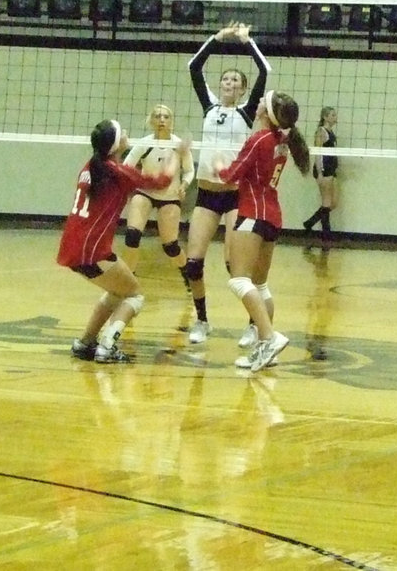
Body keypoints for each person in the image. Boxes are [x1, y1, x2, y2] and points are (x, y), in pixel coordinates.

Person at [62, 119, 191, 363]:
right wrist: (178, 153)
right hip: (92, 250)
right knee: (135, 295)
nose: (127, 134)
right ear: (114, 144)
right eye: (122, 132)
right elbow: (161, 182)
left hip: (73, 246)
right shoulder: (117, 172)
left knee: (116, 290)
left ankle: (85, 343)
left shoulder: (90, 167)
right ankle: (107, 346)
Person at [184, 22, 270, 345]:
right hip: (207, 195)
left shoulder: (246, 113)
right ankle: (202, 321)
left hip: (235, 196)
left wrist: (248, 42)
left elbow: (265, 71)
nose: (229, 82)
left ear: (243, 89)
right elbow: (194, 67)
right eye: (226, 78)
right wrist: (216, 39)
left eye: (236, 80)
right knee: (193, 263)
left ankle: (253, 324)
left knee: (236, 267)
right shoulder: (209, 106)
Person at [215, 90, 311, 371]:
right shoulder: (281, 141)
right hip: (272, 215)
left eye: (262, 101)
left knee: (238, 280)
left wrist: (219, 167)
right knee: (260, 285)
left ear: (267, 112)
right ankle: (266, 350)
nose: (257, 102)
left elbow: (231, 176)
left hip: (253, 213)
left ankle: (269, 337)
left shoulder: (259, 139)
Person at [121, 103, 196, 286]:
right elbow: (126, 167)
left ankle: (187, 275)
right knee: (132, 236)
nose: (162, 120)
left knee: (170, 246)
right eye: (157, 116)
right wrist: (133, 182)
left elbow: (189, 171)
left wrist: (184, 185)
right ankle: (129, 280)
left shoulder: (178, 145)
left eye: (166, 117)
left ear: (171, 121)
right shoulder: (145, 143)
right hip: (145, 192)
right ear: (151, 121)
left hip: (169, 197)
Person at [302, 106, 339, 242]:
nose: (335, 117)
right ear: (325, 117)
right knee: (327, 202)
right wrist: (320, 173)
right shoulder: (321, 131)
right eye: (333, 115)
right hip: (324, 170)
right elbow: (317, 153)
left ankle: (309, 223)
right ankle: (326, 235)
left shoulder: (331, 132)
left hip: (332, 169)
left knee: (334, 202)